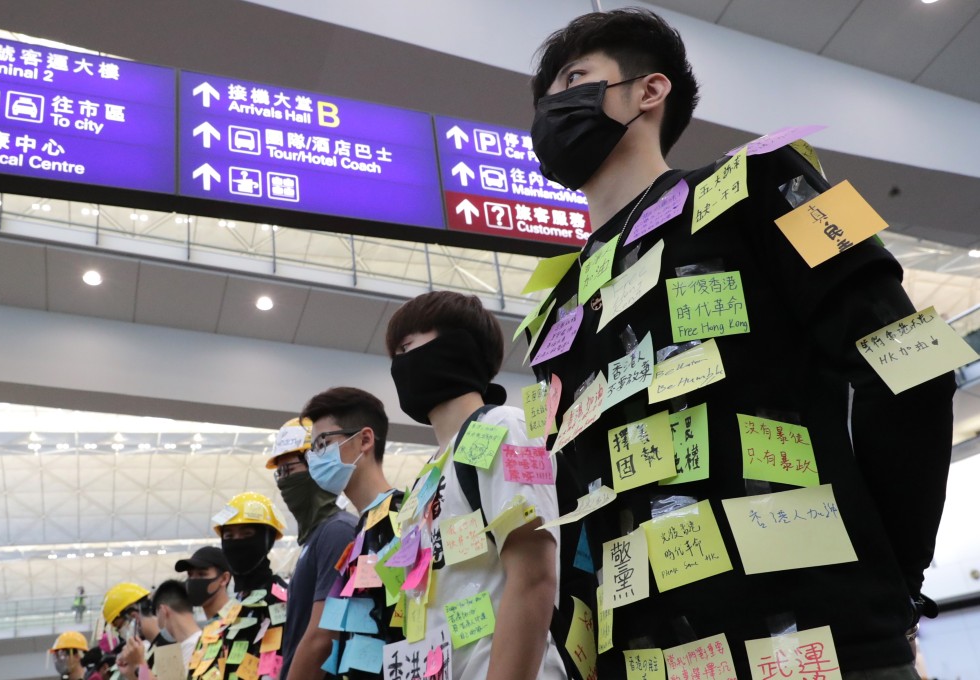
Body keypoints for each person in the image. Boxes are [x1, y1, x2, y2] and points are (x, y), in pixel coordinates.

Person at [526, 8, 956, 679]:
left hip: (820, 644)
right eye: (545, 98)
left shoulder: (764, 178)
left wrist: (893, 573)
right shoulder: (558, 317)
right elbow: (577, 506)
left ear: (650, 90)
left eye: (575, 79)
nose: (553, 106)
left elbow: (916, 361)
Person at [386, 291, 567, 679]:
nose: (399, 365)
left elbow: (534, 575)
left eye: (407, 348)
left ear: (458, 346)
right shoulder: (425, 478)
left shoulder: (505, 426)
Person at [301, 387, 404, 675]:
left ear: (365, 440)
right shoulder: (363, 529)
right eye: (312, 449)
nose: (315, 457)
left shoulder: (400, 518)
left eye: (323, 443)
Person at [266, 416, 357, 680]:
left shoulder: (337, 532)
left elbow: (323, 637)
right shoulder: (317, 538)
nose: (283, 482)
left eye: (289, 469)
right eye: (279, 473)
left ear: (314, 463)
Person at [187, 491, 289, 679]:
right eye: (229, 536)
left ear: (267, 539)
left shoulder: (282, 602)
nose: (237, 543)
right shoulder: (231, 611)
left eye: (247, 534)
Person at [174, 546, 232, 624]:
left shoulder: (239, 623)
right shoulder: (210, 625)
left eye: (202, 574)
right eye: (190, 575)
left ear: (224, 579)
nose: (193, 581)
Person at [152, 580, 203, 669]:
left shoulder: (190, 650)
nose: (158, 623)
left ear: (163, 611)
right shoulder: (207, 643)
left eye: (157, 616)